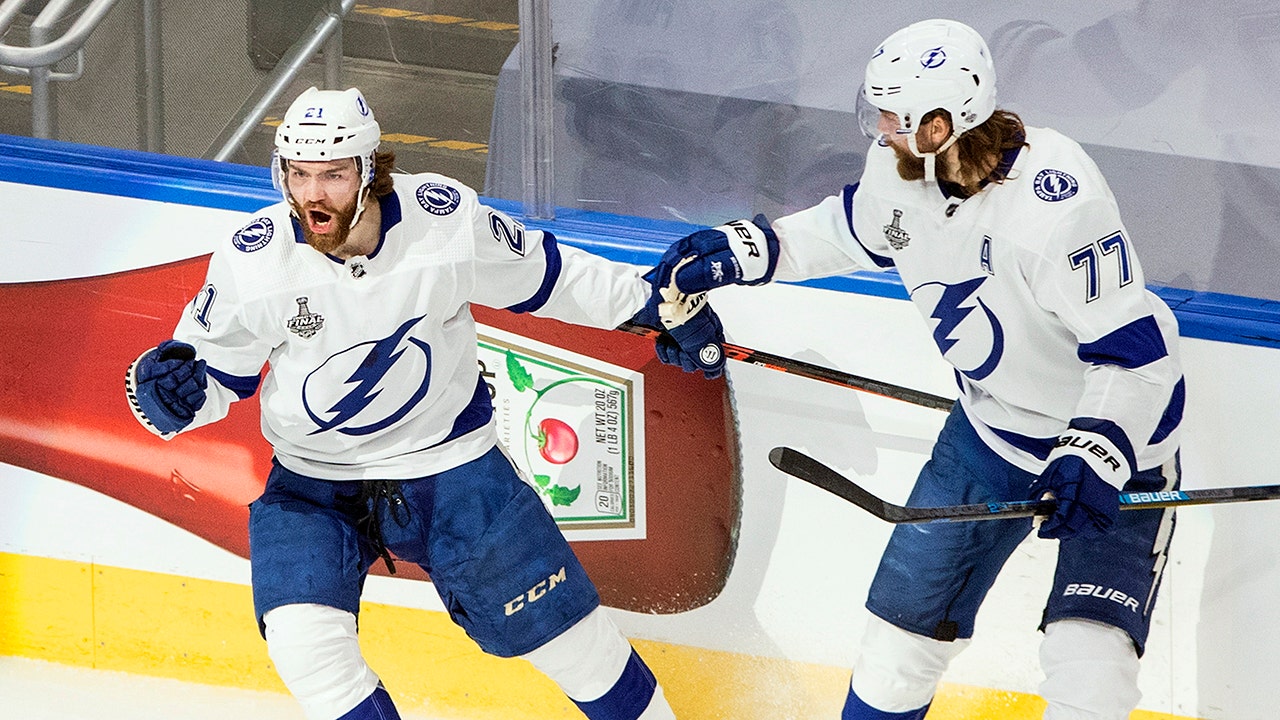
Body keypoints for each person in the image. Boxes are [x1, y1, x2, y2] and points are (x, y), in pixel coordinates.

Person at [123, 85, 724, 720]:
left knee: (576, 647)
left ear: (369, 169)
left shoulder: (443, 222)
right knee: (307, 652)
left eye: (331, 175)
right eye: (299, 174)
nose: (312, 195)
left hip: (453, 472)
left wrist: (659, 306)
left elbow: (550, 277)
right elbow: (208, 375)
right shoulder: (256, 259)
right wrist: (167, 396)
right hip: (314, 485)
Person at [648, 19, 1185, 720]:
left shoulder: (1059, 208)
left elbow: (1136, 357)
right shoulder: (900, 169)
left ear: (940, 125)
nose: (878, 129)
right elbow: (851, 228)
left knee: (1090, 666)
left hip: (1122, 448)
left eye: (893, 116)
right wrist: (751, 249)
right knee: (897, 646)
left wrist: (1097, 450)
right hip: (990, 434)